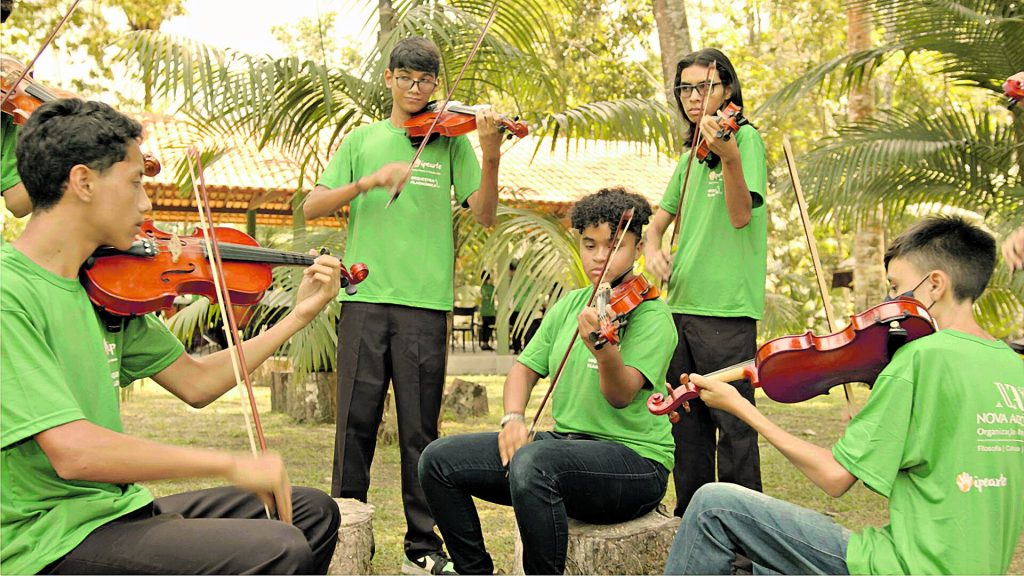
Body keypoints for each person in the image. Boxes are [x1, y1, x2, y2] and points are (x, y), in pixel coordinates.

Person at [1, 98, 343, 575]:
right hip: (47, 541)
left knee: (311, 513)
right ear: (83, 182)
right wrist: (227, 463)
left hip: (115, 514)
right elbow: (74, 452)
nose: (146, 204)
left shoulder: (100, 289)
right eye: (136, 182)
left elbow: (197, 382)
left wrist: (296, 318)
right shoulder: (8, 292)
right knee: (278, 547)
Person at [664, 216, 1024, 575]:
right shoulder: (1013, 367)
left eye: (897, 287)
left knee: (713, 505)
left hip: (902, 567)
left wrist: (740, 406)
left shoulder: (921, 358)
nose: (891, 301)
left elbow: (835, 478)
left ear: (935, 285)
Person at [303, 35, 505, 574]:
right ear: (389, 78)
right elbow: (311, 205)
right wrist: (368, 181)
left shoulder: (451, 142)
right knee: (354, 425)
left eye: (426, 81)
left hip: (424, 304)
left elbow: (484, 213)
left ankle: (422, 547)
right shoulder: (362, 141)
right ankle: (342, 536)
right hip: (365, 299)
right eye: (407, 79)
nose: (416, 90)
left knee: (420, 432)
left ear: (436, 84)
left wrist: (490, 151)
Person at [418, 187, 677, 575]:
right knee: (438, 460)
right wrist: (513, 418)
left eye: (614, 245)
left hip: (634, 463)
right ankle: (473, 570)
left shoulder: (653, 316)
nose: (601, 256)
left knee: (534, 462)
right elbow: (523, 369)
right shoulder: (571, 305)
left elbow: (621, 395)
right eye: (590, 245)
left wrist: (604, 351)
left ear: (638, 247)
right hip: (565, 453)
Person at [643, 48, 768, 516]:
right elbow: (657, 223)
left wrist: (729, 157)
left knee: (733, 429)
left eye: (704, 87)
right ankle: (691, 523)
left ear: (727, 89)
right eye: (685, 88)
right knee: (686, 428)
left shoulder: (745, 140)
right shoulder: (690, 157)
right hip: (682, 307)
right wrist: (654, 251)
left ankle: (742, 544)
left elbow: (740, 216)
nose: (693, 97)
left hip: (727, 309)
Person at [479, 271, 495, 350]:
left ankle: (485, 343)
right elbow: (487, 296)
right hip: (488, 311)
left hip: (487, 311)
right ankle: (485, 343)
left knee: (487, 328)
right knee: (487, 328)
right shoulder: (488, 287)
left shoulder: (485, 287)